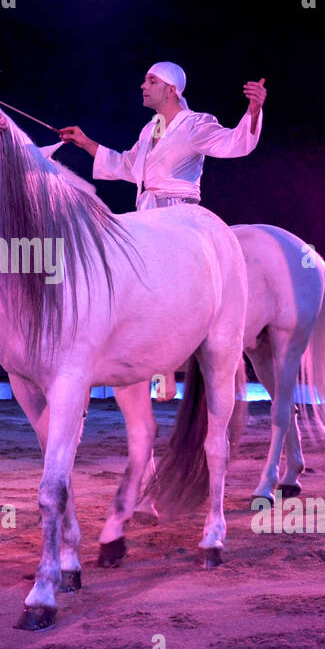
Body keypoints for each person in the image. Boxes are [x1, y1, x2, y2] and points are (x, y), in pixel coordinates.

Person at [58, 61, 267, 398]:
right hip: (147, 215)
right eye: (145, 80)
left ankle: (168, 365)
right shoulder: (150, 129)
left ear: (171, 89)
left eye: (151, 81)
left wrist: (253, 110)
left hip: (179, 217)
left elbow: (234, 143)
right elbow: (127, 165)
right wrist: (87, 144)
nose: (143, 86)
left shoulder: (197, 124)